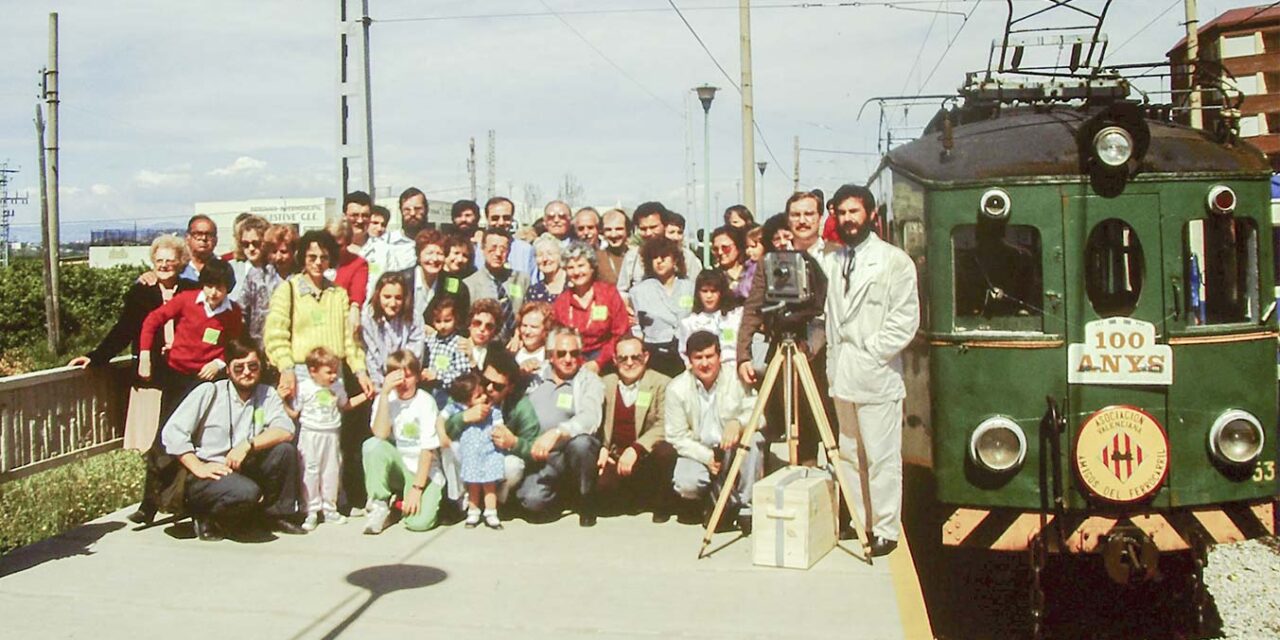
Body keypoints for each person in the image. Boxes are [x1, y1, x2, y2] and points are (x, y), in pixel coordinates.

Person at [821, 184, 920, 557]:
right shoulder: (833, 261)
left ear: (870, 215)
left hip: (876, 374)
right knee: (849, 453)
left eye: (854, 212)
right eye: (842, 213)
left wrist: (872, 351)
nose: (847, 219)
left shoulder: (894, 261)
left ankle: (885, 529)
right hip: (842, 374)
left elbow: (905, 319)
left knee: (881, 456)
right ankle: (857, 521)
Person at [264, 230, 373, 515]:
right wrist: (285, 368)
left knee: (333, 442)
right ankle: (300, 504)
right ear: (302, 257)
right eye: (311, 256)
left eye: (323, 257)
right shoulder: (288, 289)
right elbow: (275, 334)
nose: (317, 262)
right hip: (300, 373)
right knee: (302, 443)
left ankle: (334, 501)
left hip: (333, 373)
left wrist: (359, 371)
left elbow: (350, 340)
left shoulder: (338, 294)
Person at [159, 338, 303, 540]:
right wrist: (198, 466)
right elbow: (172, 433)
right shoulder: (209, 392)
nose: (247, 372)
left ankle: (276, 515)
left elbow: (286, 429)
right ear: (227, 369)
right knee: (246, 493)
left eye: (253, 366)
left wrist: (248, 445)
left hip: (243, 465)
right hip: (208, 473)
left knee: (284, 451)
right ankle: (205, 516)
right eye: (239, 367)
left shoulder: (267, 394)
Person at [737, 192, 834, 465]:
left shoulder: (835, 256)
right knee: (799, 430)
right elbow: (753, 307)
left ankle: (841, 502)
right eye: (795, 215)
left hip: (831, 354)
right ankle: (801, 489)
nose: (802, 221)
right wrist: (743, 354)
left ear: (819, 217)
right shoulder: (771, 261)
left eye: (808, 214)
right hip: (787, 351)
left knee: (833, 429)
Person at [666, 330, 759, 532]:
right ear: (689, 360)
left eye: (709, 356)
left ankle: (745, 506)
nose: (705, 363)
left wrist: (738, 422)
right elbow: (676, 436)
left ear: (719, 356)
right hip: (700, 451)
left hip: (733, 446)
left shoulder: (736, 377)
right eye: (698, 358)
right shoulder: (676, 388)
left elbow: (759, 413)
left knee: (755, 439)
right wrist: (707, 457)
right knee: (686, 483)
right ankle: (711, 498)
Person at [516, 327, 605, 527]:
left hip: (568, 451)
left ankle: (585, 498)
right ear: (551, 356)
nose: (568, 359)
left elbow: (591, 417)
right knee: (532, 502)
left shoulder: (589, 380)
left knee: (582, 444)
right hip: (538, 455)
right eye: (561, 353)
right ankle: (559, 494)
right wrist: (518, 375)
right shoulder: (534, 377)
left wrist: (557, 433)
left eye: (574, 353)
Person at [138, 259, 244, 422]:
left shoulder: (233, 312)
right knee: (169, 421)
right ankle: (158, 448)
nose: (213, 292)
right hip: (177, 373)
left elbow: (234, 345)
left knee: (204, 421)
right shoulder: (186, 300)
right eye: (209, 286)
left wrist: (218, 363)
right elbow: (153, 320)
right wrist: (144, 355)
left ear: (228, 288)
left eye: (219, 287)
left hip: (207, 376)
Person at [362, 350, 446, 534]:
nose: (403, 383)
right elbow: (380, 434)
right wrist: (384, 394)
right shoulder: (386, 399)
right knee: (372, 446)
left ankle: (400, 502)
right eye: (399, 378)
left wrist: (417, 489)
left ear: (417, 377)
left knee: (418, 523)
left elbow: (427, 450)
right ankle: (379, 504)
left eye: (408, 377)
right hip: (400, 464)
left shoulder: (425, 402)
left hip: (424, 470)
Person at [595, 336, 678, 520]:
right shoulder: (604, 383)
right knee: (605, 499)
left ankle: (662, 503)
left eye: (636, 357)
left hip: (646, 457)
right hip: (615, 457)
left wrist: (636, 448)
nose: (630, 363)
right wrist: (600, 446)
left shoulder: (662, 383)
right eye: (623, 358)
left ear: (646, 357)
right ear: (615, 360)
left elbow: (665, 423)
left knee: (666, 451)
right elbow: (594, 420)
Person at [445, 350, 541, 506]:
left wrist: (514, 442)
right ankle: (460, 500)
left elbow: (534, 448)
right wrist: (463, 418)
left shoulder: (520, 406)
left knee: (513, 465)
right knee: (449, 448)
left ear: (510, 387)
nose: (489, 388)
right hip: (468, 455)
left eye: (497, 386)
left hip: (496, 460)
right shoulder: (467, 389)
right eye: (485, 381)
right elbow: (442, 428)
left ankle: (495, 502)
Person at [285, 347, 367, 531]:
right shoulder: (304, 387)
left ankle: (330, 508)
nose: (333, 376)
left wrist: (366, 396)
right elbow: (294, 412)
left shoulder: (337, 386)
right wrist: (282, 401)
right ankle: (311, 510)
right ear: (312, 371)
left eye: (335, 371)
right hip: (310, 434)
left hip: (331, 433)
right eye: (328, 372)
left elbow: (345, 405)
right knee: (310, 471)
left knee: (331, 471)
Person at [551, 241, 630, 374]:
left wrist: (599, 362)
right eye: (570, 267)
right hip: (573, 361)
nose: (576, 272)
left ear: (592, 267)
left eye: (581, 266)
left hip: (608, 361)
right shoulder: (561, 302)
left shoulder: (609, 294)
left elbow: (620, 332)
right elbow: (557, 338)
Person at [447, 373, 507, 530]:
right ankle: (473, 512)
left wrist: (500, 430)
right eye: (478, 397)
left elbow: (500, 426)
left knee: (489, 485)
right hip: (471, 456)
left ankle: (491, 512)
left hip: (489, 454)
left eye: (483, 394)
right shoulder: (465, 415)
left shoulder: (493, 412)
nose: (483, 399)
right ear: (466, 402)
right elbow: (447, 424)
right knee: (473, 485)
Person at [628, 237, 694, 378]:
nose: (659, 261)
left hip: (686, 351)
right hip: (655, 352)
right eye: (654, 257)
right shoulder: (639, 291)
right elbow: (636, 327)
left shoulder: (690, 287)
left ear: (675, 260)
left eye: (664, 257)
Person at [463, 228, 530, 342]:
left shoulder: (522, 279)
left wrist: (518, 335)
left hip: (517, 343)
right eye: (493, 248)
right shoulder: (469, 284)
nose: (498, 254)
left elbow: (528, 313)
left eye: (503, 249)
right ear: (483, 249)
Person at [362, 271, 425, 390]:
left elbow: (414, 354)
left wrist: (401, 381)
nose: (392, 303)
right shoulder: (368, 317)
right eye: (387, 297)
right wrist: (381, 386)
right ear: (378, 295)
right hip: (380, 381)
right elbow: (371, 355)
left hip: (406, 380)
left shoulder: (414, 318)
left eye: (398, 298)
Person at [235, 224, 296, 346]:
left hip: (292, 343)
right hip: (260, 344)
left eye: (283, 252)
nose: (278, 257)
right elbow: (241, 310)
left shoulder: (300, 277)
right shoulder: (257, 275)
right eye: (274, 252)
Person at [403, 230, 471, 334]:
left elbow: (461, 322)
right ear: (419, 255)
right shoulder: (403, 280)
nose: (434, 259)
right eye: (429, 253)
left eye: (440, 254)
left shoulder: (454, 284)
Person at [679, 270, 744, 369]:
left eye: (713, 291)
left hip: (732, 370)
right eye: (704, 291)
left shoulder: (735, 316)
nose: (709, 296)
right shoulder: (689, 323)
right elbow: (684, 354)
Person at [421, 297, 475, 406]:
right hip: (428, 389)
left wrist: (439, 376)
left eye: (447, 320)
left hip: (447, 394)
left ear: (456, 319)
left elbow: (462, 374)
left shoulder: (458, 343)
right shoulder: (431, 339)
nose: (442, 326)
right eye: (438, 321)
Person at [478, 196, 538, 277]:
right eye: (495, 218)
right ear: (487, 218)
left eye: (506, 218)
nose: (501, 222)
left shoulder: (526, 251)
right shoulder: (477, 251)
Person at [343, 191, 392, 290]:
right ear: (345, 216)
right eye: (354, 215)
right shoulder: (333, 250)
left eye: (365, 215)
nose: (360, 220)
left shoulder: (384, 251)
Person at [325, 218, 370, 310]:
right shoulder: (315, 261)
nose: (333, 249)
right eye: (329, 244)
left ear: (348, 242)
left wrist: (355, 308)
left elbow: (357, 296)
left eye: (338, 246)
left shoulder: (357, 263)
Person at [385, 187, 430, 272]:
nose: (412, 213)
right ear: (401, 211)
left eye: (418, 209)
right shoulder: (387, 242)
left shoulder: (437, 242)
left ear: (426, 210)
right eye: (407, 210)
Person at [228, 214, 270, 302]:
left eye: (256, 243)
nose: (251, 248)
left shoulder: (275, 269)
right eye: (246, 244)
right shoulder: (230, 268)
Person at [512, 301, 554, 383]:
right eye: (524, 326)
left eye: (534, 327)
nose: (527, 331)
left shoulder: (550, 357)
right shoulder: (512, 352)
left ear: (546, 330)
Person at [179, 215, 222, 284]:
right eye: (198, 234)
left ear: (216, 240)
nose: (204, 238)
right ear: (187, 238)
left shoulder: (225, 268)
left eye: (209, 234)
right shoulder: (178, 270)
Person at [526, 233, 567, 303]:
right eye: (540, 255)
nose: (545, 259)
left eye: (550, 254)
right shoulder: (534, 291)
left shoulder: (573, 284)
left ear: (561, 256)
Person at [595, 208, 629, 285]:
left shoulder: (638, 256)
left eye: (619, 229)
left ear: (627, 230)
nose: (614, 234)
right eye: (608, 230)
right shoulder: (596, 258)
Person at [710, 226, 748, 291]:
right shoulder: (712, 276)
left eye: (725, 248)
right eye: (715, 249)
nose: (720, 252)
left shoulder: (752, 272)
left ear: (738, 246)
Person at [735, 226, 765, 300]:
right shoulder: (749, 265)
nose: (748, 251)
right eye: (747, 247)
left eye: (753, 247)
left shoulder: (762, 266)